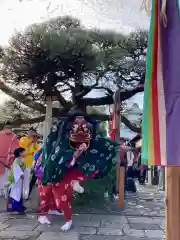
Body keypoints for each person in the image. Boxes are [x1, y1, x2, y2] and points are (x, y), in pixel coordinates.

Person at [19, 128, 40, 197]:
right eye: (31, 132)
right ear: (28, 132)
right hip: (22, 163)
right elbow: (23, 150)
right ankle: (19, 196)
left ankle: (25, 196)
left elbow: (37, 150)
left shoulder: (34, 141)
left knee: (27, 181)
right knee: (20, 181)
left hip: (30, 164)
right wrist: (31, 142)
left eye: (33, 133)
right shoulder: (23, 139)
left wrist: (34, 142)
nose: (31, 134)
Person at [6, 147, 29, 213]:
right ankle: (17, 207)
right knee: (16, 193)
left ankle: (17, 206)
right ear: (20, 153)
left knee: (18, 193)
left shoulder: (20, 159)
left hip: (18, 180)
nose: (25, 153)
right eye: (23, 151)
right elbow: (17, 169)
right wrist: (21, 175)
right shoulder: (17, 160)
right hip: (16, 180)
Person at [0, 121, 19, 196]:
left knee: (3, 176)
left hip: (4, 160)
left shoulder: (13, 136)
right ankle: (4, 191)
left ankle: (3, 190)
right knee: (5, 176)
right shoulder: (13, 136)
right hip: (5, 160)